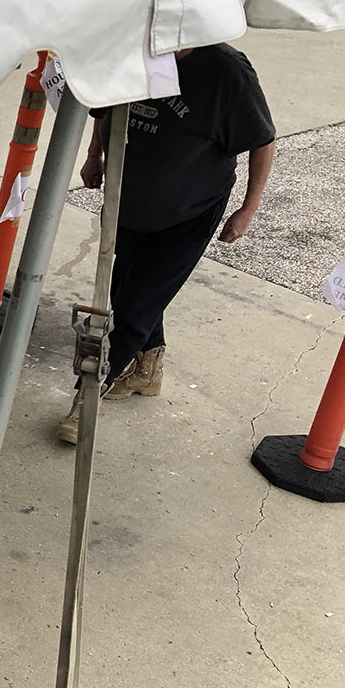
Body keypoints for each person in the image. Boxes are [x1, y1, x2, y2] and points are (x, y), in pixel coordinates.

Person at [57, 43, 276, 444]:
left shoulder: (226, 70)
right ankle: (147, 371)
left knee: (132, 308)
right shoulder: (133, 42)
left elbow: (263, 140)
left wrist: (248, 209)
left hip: (189, 210)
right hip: (128, 198)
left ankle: (85, 402)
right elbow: (104, 107)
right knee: (128, 285)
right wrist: (94, 155)